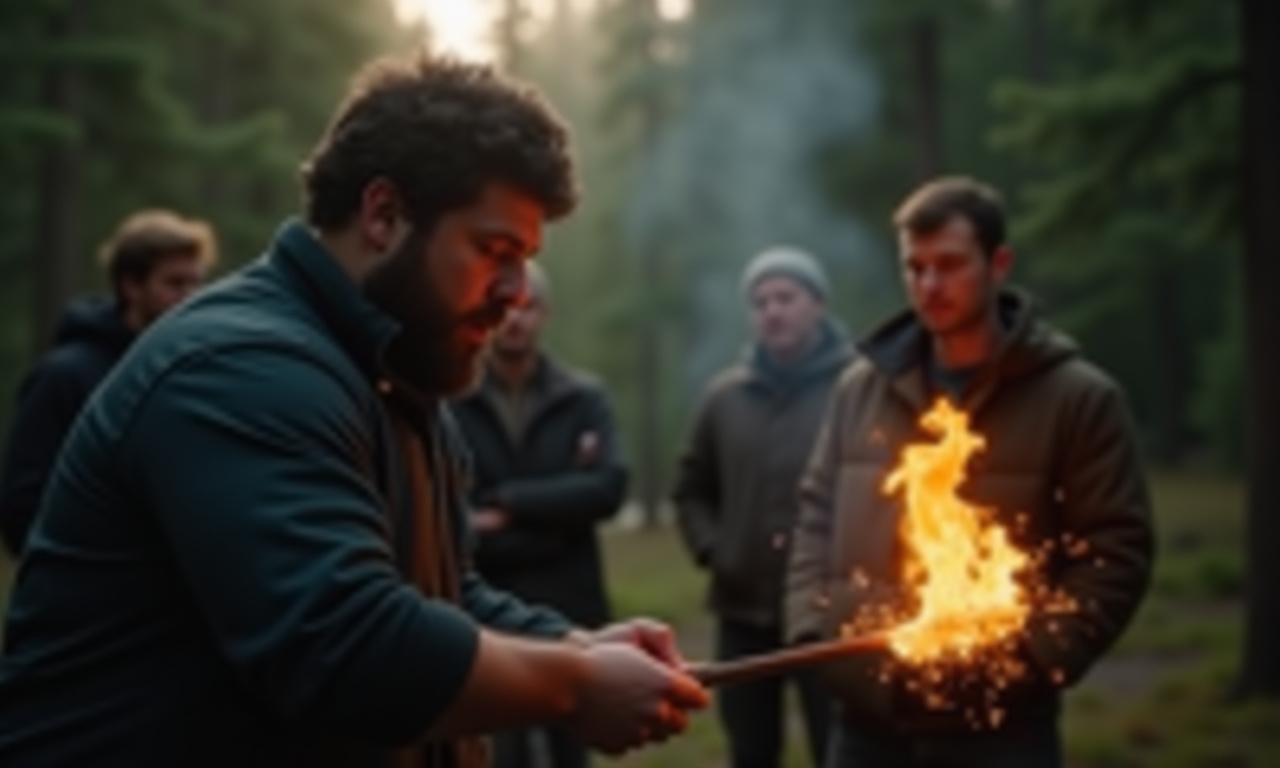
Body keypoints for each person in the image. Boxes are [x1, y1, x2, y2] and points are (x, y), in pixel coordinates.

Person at [0, 54, 707, 766]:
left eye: (524, 259)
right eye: (495, 251)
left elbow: (439, 595)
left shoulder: (392, 377)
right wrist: (576, 686)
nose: (518, 292)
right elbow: (347, 644)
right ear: (383, 215)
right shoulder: (242, 370)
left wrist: (570, 644)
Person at [785, 177, 1154, 768]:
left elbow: (1117, 550)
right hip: (867, 721)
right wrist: (816, 635)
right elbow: (814, 516)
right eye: (915, 267)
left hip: (1000, 729)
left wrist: (1030, 661)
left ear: (998, 263)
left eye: (950, 264)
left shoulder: (1077, 399)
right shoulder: (861, 388)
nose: (929, 286)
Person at [673, 246, 853, 768]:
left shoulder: (857, 388)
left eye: (786, 297)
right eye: (760, 301)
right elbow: (691, 489)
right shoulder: (723, 398)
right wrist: (715, 549)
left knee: (839, 748)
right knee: (750, 752)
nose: (772, 310)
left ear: (817, 304)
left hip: (830, 615)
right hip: (742, 611)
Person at [452, 262, 627, 768]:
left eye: (528, 306)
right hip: (489, 613)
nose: (516, 319)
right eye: (507, 305)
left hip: (572, 606)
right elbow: (454, 518)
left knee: (571, 752)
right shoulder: (455, 400)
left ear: (544, 314)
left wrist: (508, 503)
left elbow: (608, 488)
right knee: (500, 753)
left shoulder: (583, 397)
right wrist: (557, 524)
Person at [0, 209, 215, 555]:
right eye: (175, 283)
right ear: (131, 285)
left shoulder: (190, 375)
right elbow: (21, 509)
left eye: (196, 282)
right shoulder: (63, 377)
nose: (190, 297)